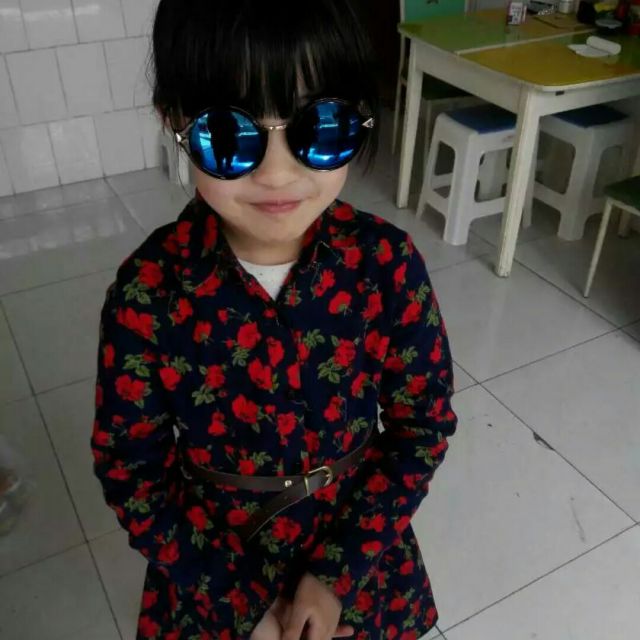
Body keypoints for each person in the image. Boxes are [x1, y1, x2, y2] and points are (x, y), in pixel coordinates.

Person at [89, 1, 458, 639]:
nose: (278, 173)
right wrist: (244, 609)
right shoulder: (146, 296)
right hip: (214, 576)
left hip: (360, 564)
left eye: (322, 127)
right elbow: (132, 470)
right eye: (229, 135)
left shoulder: (386, 266)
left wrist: (336, 574)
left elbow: (421, 428)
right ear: (173, 122)